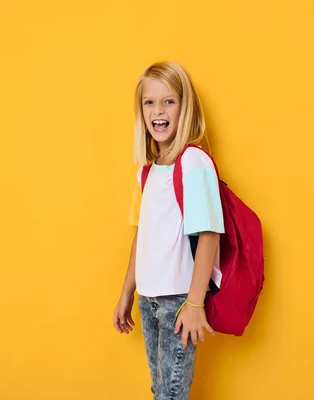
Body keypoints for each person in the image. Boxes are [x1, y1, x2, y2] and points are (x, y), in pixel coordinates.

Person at [113, 61, 225, 399]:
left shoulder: (194, 162)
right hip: (148, 300)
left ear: (185, 106)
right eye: (149, 102)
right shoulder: (146, 173)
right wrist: (127, 292)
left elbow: (209, 234)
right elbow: (141, 237)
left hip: (179, 301)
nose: (158, 111)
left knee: (171, 394)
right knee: (160, 389)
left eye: (169, 101)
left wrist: (194, 303)